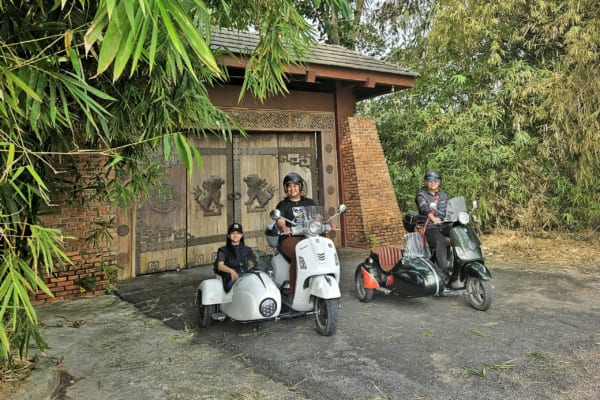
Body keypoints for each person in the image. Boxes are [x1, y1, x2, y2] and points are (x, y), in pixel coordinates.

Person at [275, 172, 316, 294]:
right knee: (298, 253)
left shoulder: (309, 202)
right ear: (286, 188)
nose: (292, 189)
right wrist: (284, 227)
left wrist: (325, 223)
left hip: (308, 236)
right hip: (289, 238)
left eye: (295, 186)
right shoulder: (283, 204)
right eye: (289, 186)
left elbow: (317, 216)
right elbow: (280, 220)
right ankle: (294, 288)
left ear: (300, 187)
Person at [415, 169, 450, 277]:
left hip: (443, 225)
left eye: (436, 180)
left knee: (459, 232)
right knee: (440, 241)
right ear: (426, 182)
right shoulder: (421, 195)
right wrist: (432, 217)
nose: (433, 182)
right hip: (429, 227)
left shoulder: (443, 196)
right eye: (430, 179)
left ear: (440, 182)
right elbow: (423, 208)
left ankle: (461, 264)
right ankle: (442, 272)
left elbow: (451, 209)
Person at [214, 223, 256, 291]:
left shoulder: (247, 249)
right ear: (228, 235)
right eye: (233, 233)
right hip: (230, 277)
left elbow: (251, 263)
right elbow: (220, 266)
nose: (235, 235)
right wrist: (231, 271)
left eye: (238, 233)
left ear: (242, 235)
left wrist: (250, 268)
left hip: (245, 276)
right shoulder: (223, 250)